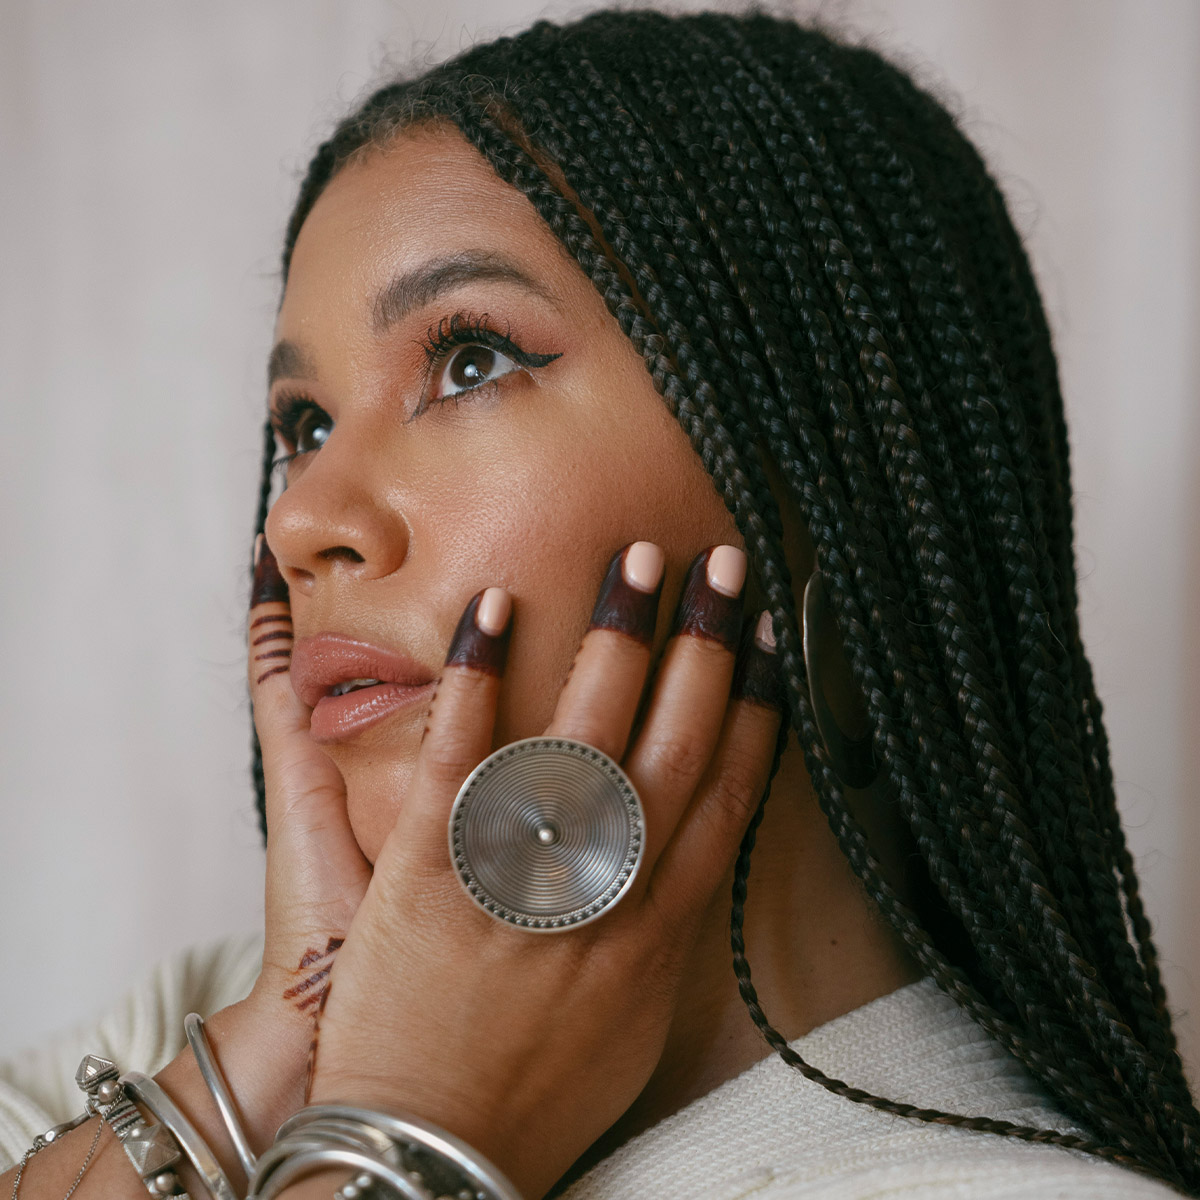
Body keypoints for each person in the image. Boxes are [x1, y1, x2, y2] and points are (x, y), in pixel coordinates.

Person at [2, 9, 1197, 1199]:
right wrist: (273, 1060)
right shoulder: (183, 1038)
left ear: (839, 499)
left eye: (471, 358)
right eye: (303, 425)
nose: (299, 521)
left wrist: (408, 1130)